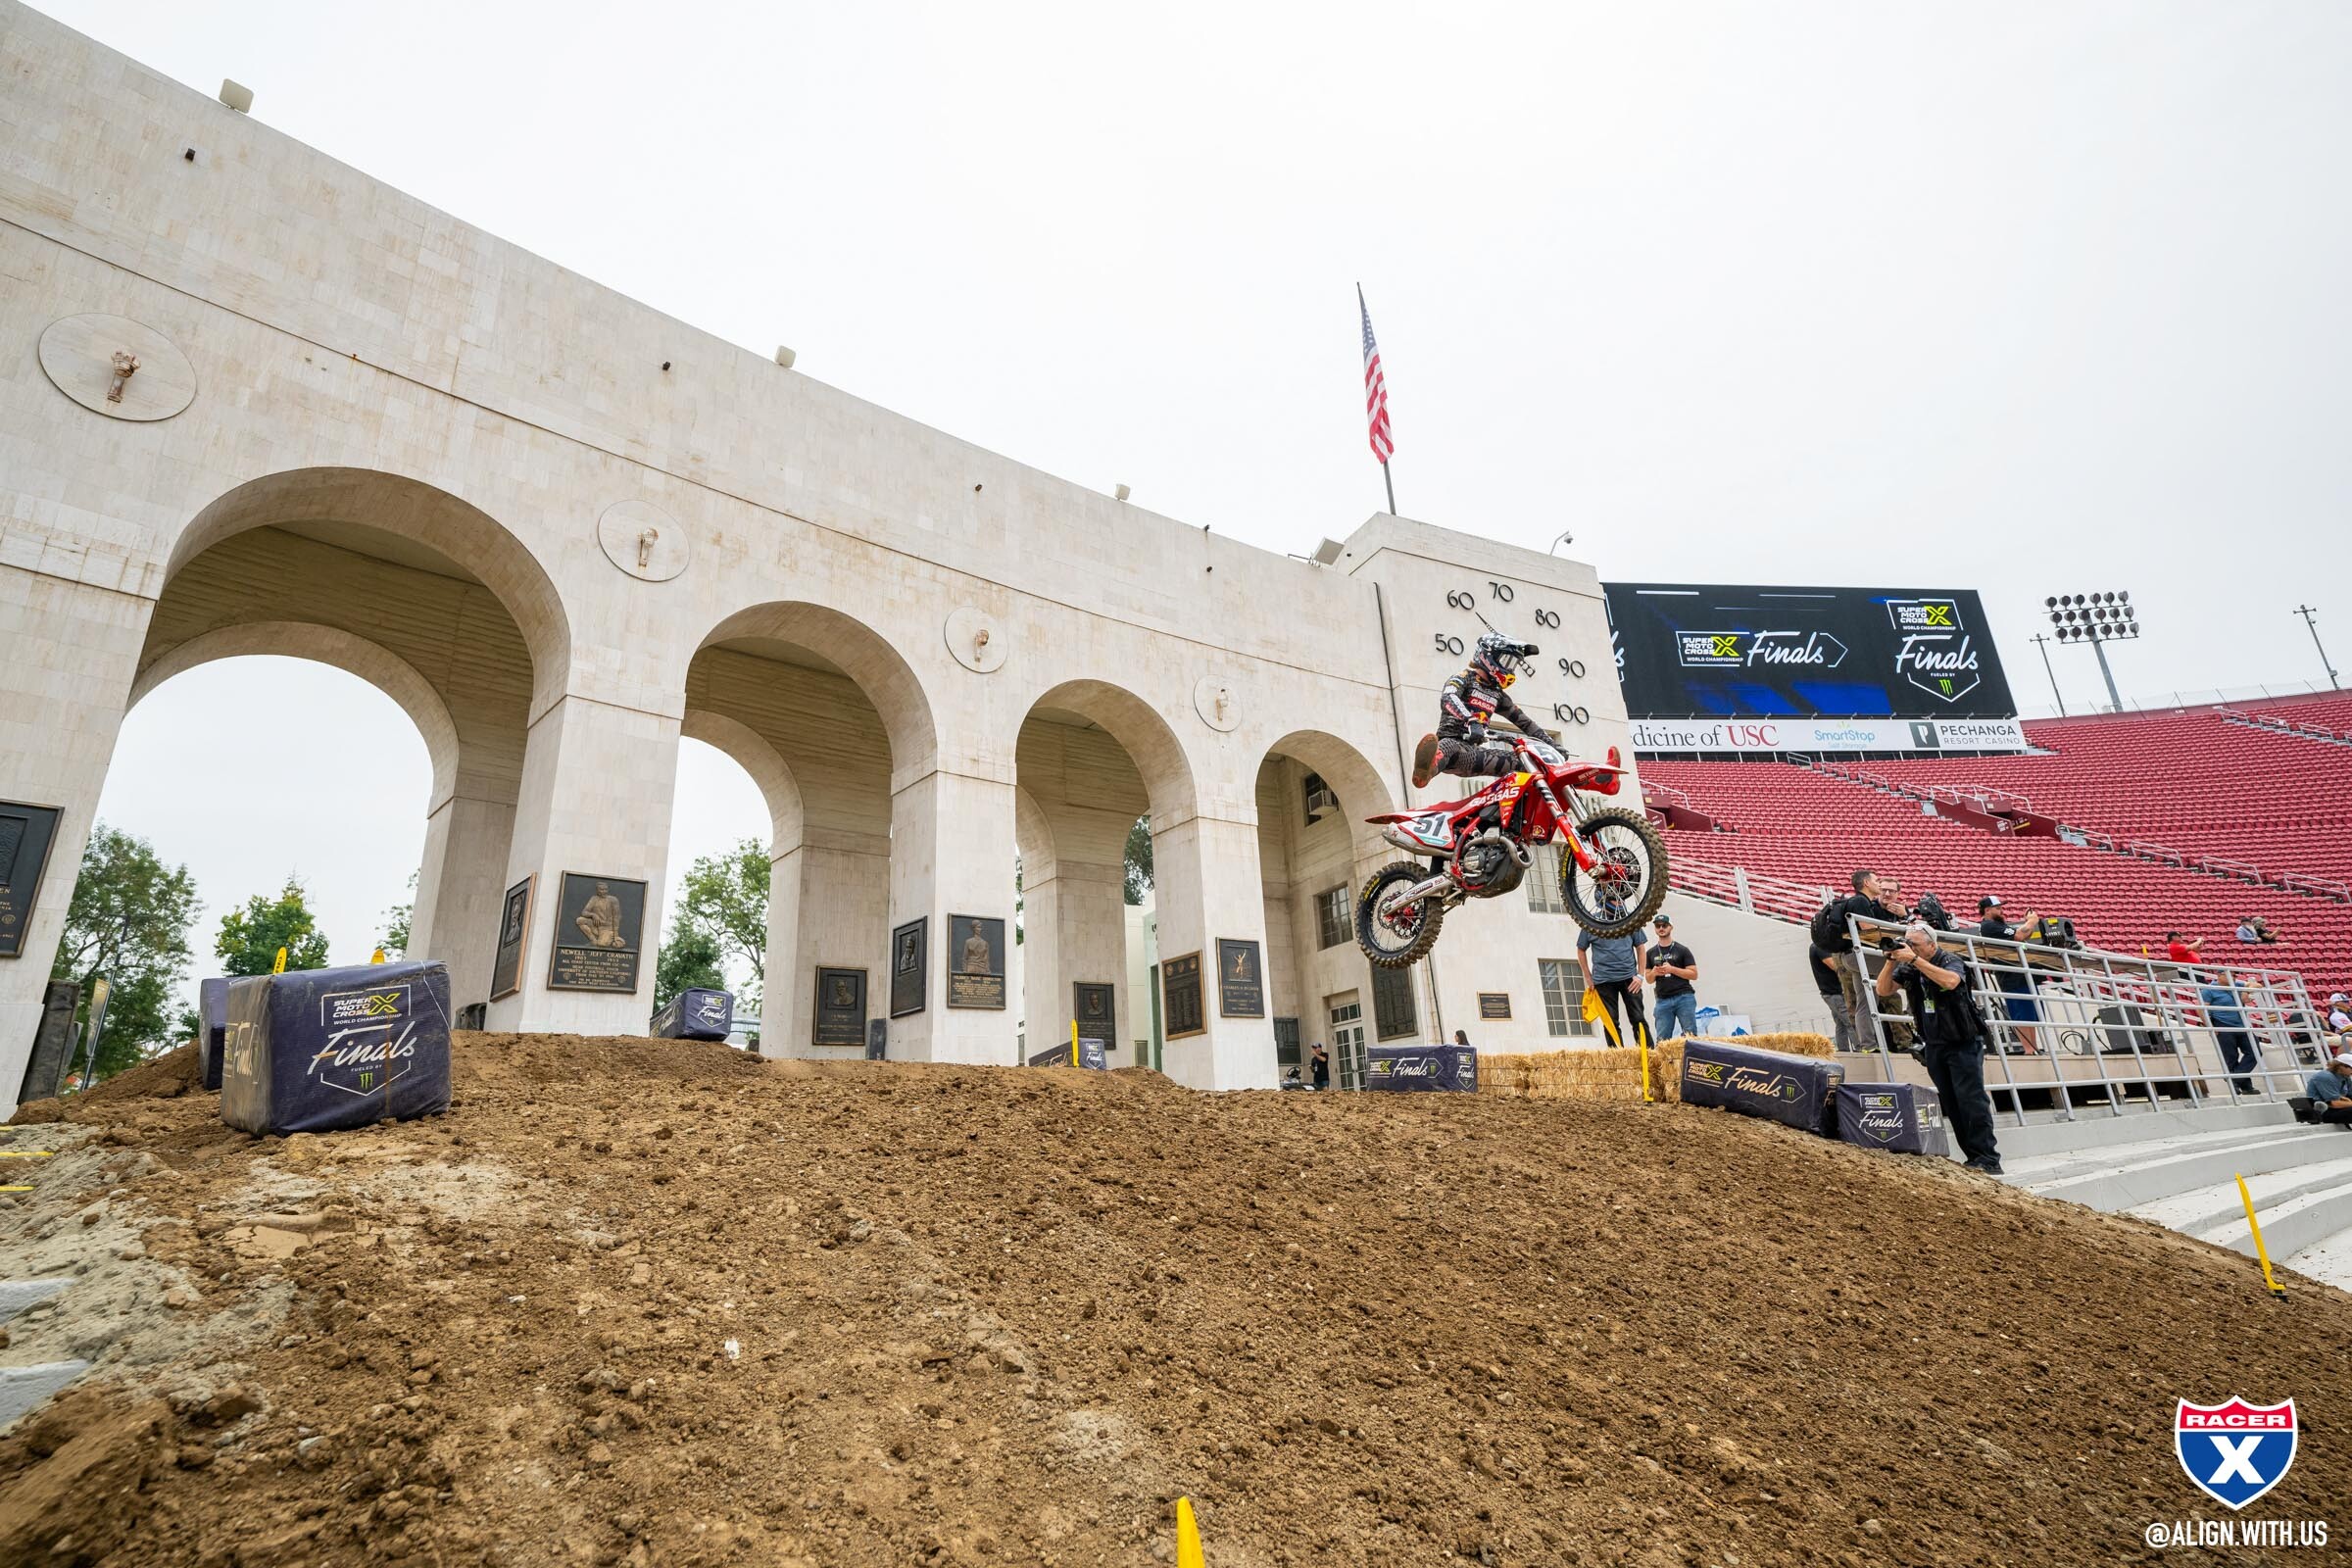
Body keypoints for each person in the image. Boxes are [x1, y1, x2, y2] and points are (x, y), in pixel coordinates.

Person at [1874, 921, 2001, 1174]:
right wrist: (1891, 960)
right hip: (1934, 1044)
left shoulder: (1949, 960)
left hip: (1962, 1041)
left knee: (1971, 1101)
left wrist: (1915, 960)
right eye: (1907, 943)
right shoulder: (1909, 967)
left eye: (1915, 945)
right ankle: (1972, 1158)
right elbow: (1883, 989)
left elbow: (1952, 981)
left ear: (1932, 945)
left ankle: (1988, 1158)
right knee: (1951, 1103)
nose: (1910, 948)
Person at [1410, 633, 1549, 790]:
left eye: (1513, 664)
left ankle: (1533, 803)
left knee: (1525, 760)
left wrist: (1551, 745)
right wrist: (1471, 721)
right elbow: (1448, 697)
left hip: (1475, 752)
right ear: (1489, 657)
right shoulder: (1464, 678)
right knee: (1448, 746)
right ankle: (1427, 770)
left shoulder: (1498, 695)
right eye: (1507, 661)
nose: (1510, 668)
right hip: (1455, 746)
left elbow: (1525, 722)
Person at [1822, 870, 1909, 1048]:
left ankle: (1868, 1045)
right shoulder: (1861, 900)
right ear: (1867, 883)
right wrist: (1899, 928)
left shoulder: (1860, 901)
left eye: (1891, 891)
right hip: (1859, 956)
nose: (1880, 886)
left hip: (1852, 958)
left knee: (1865, 1002)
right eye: (1877, 881)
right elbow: (1868, 929)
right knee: (1913, 963)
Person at [1976, 896, 2039, 1054]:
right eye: (1997, 908)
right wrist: (2031, 921)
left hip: (2017, 972)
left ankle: (2033, 1048)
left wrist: (2028, 924)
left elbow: (2023, 935)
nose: (2001, 910)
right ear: (1987, 910)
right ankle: (2029, 1050)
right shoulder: (1989, 926)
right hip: (2010, 974)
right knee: (2021, 1013)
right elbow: (2019, 936)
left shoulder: (1996, 925)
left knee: (2029, 1012)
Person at [1577, 921, 1649, 1050]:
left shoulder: (1630, 919)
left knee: (1638, 1017)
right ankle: (1617, 1057)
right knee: (1610, 1021)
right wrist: (1588, 977)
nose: (1619, 902)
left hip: (1630, 979)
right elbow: (1581, 949)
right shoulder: (1590, 922)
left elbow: (1640, 947)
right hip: (1603, 981)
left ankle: (1647, 1053)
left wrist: (1640, 975)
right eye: (1616, 900)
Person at [2197, 978, 2259, 1096]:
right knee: (2231, 1056)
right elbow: (2201, 1009)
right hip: (2222, 1024)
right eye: (2230, 975)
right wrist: (2210, 1026)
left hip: (2242, 1024)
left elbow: (2257, 985)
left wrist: (2246, 990)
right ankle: (2246, 1086)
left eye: (2234, 975)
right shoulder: (2209, 990)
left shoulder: (2237, 984)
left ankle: (2234, 1079)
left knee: (2255, 1052)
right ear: (2219, 975)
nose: (2233, 977)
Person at [1644, 913, 1699, 1040]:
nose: (1661, 928)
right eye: (1658, 926)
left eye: (1664, 925)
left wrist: (1672, 969)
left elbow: (1694, 974)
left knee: (1690, 1036)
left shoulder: (1682, 950)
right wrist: (1654, 972)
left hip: (1684, 997)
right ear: (1655, 929)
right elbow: (1649, 979)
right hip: (1662, 1000)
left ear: (1671, 927)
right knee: (1662, 1040)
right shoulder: (1650, 953)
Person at [1807, 938, 1853, 1052]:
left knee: (1841, 1023)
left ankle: (1844, 1051)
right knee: (1850, 1021)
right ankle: (1860, 1049)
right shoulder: (1820, 947)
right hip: (1833, 993)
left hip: (1833, 992)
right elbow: (1835, 966)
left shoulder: (1820, 947)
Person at [2304, 1049, 2352, 1126]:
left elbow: (2350, 1096)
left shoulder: (2346, 1077)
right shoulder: (2325, 1076)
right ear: (2341, 1066)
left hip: (2339, 1108)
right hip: (2324, 1112)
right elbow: (2334, 1103)